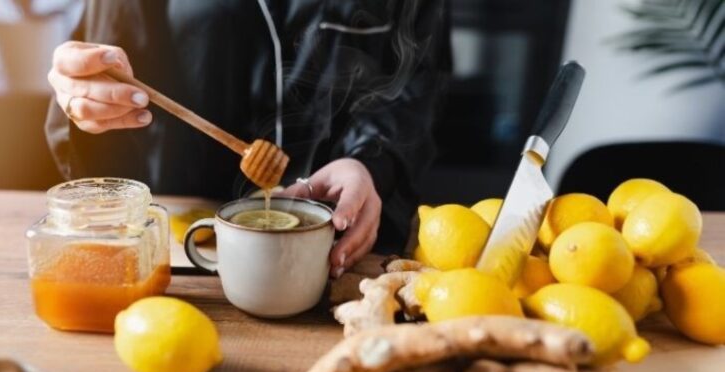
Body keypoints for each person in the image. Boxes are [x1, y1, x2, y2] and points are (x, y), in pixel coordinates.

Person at [45, 0, 448, 277]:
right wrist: (88, 99)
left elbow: (415, 85)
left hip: (345, 252)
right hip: (188, 255)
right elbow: (105, 68)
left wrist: (370, 162)